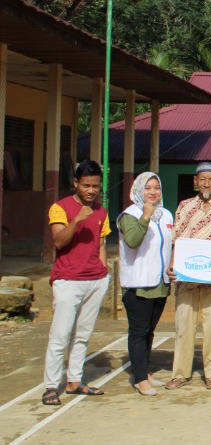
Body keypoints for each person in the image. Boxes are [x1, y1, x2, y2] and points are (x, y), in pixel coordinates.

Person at [165, 162, 211, 391]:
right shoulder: (184, 206)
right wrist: (172, 264)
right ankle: (180, 374)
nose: (207, 184)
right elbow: (177, 239)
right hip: (186, 278)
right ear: (195, 181)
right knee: (184, 326)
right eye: (202, 179)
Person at [41, 160, 110, 406]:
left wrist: (103, 272)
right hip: (68, 280)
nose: (91, 190)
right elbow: (59, 241)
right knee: (60, 335)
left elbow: (101, 244)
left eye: (95, 186)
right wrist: (77, 220)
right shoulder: (60, 208)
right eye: (86, 185)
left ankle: (74, 380)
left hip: (95, 280)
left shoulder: (101, 211)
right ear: (75, 184)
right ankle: (51, 386)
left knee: (83, 334)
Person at [118, 172, 173, 396]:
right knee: (139, 331)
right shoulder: (129, 215)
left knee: (150, 331)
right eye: (147, 188)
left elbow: (170, 244)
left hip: (160, 282)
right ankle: (140, 379)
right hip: (138, 283)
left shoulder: (166, 214)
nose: (152, 192)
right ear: (138, 190)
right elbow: (132, 241)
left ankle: (144, 371)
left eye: (156, 188)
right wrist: (145, 217)